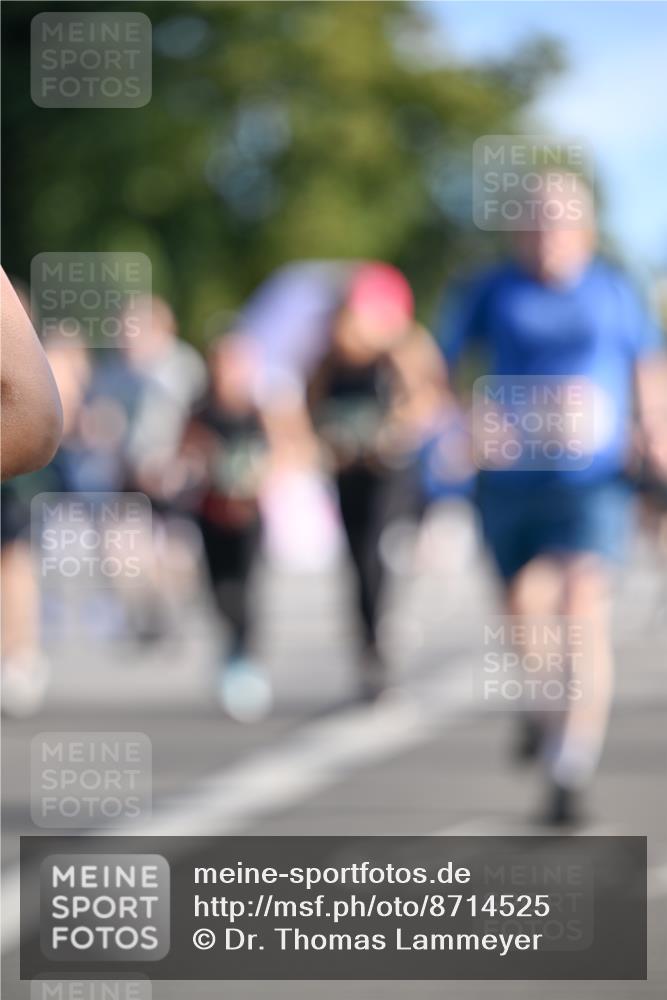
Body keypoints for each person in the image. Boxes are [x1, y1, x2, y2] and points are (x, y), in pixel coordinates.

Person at [439, 176, 667, 824]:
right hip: (512, 480)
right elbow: (442, 365)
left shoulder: (613, 291)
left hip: (591, 478)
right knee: (523, 609)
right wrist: (465, 419)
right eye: (534, 223)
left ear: (585, 230)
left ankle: (569, 763)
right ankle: (544, 710)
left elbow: (645, 365)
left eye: (559, 222)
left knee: (580, 602)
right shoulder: (489, 289)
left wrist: (652, 429)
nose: (545, 236)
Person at [239, 260, 448, 701]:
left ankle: (382, 630)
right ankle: (370, 645)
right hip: (347, 471)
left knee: (378, 545)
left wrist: (391, 430)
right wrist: (323, 441)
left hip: (388, 471)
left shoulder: (396, 350)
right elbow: (305, 412)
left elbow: (426, 399)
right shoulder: (326, 361)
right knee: (355, 558)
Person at [177, 334, 271, 721]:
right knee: (218, 591)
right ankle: (230, 653)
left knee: (246, 590)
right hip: (212, 512)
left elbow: (283, 451)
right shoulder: (199, 413)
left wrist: (256, 475)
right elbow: (181, 453)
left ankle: (245, 660)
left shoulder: (259, 410)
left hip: (249, 515)